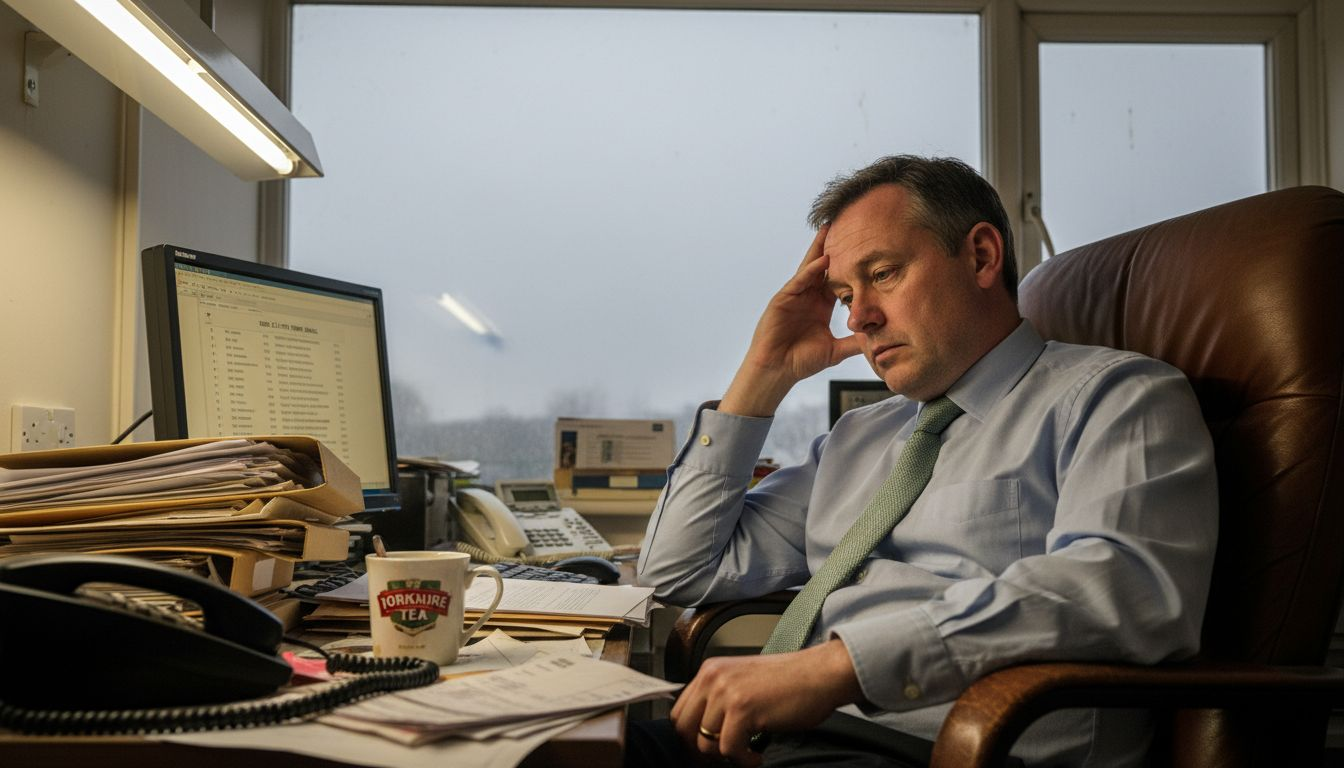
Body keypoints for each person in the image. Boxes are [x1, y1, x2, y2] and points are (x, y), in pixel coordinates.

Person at [632, 155, 1218, 767]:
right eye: (842, 295)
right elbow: (677, 569)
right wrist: (762, 375)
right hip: (782, 739)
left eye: (882, 274)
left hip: (943, 752)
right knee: (553, 750)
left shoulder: (1117, 397)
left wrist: (842, 664)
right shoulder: (858, 436)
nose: (858, 318)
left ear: (982, 256)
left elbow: (1122, 585)